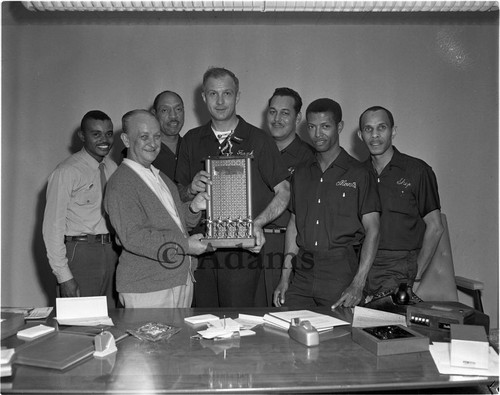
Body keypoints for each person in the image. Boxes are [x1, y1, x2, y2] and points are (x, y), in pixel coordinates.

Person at [175, 67, 290, 307]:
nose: (220, 101)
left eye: (226, 93)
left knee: (241, 329)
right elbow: (176, 197)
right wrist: (190, 189)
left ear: (237, 96)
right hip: (201, 250)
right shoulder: (191, 140)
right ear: (204, 97)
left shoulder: (259, 140)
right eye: (213, 94)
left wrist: (256, 224)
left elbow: (284, 191)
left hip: (242, 253)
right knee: (203, 326)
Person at [273, 98, 381, 309]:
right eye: (312, 127)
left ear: (339, 127)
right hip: (303, 271)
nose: (318, 134)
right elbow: (294, 226)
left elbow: (374, 230)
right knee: (289, 330)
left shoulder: (360, 173)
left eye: (325, 126)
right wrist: (285, 278)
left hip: (340, 270)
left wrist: (358, 284)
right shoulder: (301, 173)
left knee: (340, 338)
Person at [104, 110, 210, 308]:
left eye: (157, 136)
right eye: (144, 137)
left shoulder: (160, 177)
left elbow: (175, 224)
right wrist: (186, 246)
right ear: (126, 140)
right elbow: (135, 238)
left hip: (178, 279)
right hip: (148, 287)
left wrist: (194, 207)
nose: (153, 143)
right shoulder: (121, 183)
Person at [357, 106, 444, 300]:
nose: (375, 135)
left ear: (393, 131)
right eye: (368, 129)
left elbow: (435, 227)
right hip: (361, 266)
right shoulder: (357, 173)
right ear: (360, 135)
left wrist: (415, 275)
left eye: (382, 128)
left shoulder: (417, 171)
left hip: (399, 265)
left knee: (385, 326)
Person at [42, 110, 118, 307]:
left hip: (111, 252)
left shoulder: (113, 168)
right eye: (96, 134)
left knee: (109, 321)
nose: (104, 140)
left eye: (109, 134)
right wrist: (64, 276)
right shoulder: (66, 171)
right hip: (80, 253)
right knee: (78, 325)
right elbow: (52, 227)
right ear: (82, 136)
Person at [256, 87, 314, 306]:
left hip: (287, 246)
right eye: (272, 112)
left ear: (298, 117)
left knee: (282, 316)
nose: (277, 119)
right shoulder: (256, 151)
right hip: (255, 243)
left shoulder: (310, 158)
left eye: (285, 113)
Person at [150, 90, 185, 180]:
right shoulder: (142, 151)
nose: (173, 116)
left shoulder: (192, 147)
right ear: (154, 114)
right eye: (165, 110)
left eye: (178, 109)